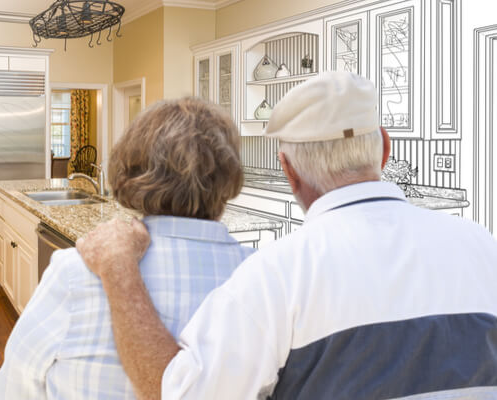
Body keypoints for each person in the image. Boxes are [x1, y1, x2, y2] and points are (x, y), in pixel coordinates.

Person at [76, 72, 497, 399]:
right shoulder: (485, 249)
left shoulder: (277, 276)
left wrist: (118, 269)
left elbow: (179, 393)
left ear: (289, 171)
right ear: (384, 148)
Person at [0, 97, 256, 399]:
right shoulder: (263, 279)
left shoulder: (76, 272)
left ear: (131, 169)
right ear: (228, 175)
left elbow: (13, 387)